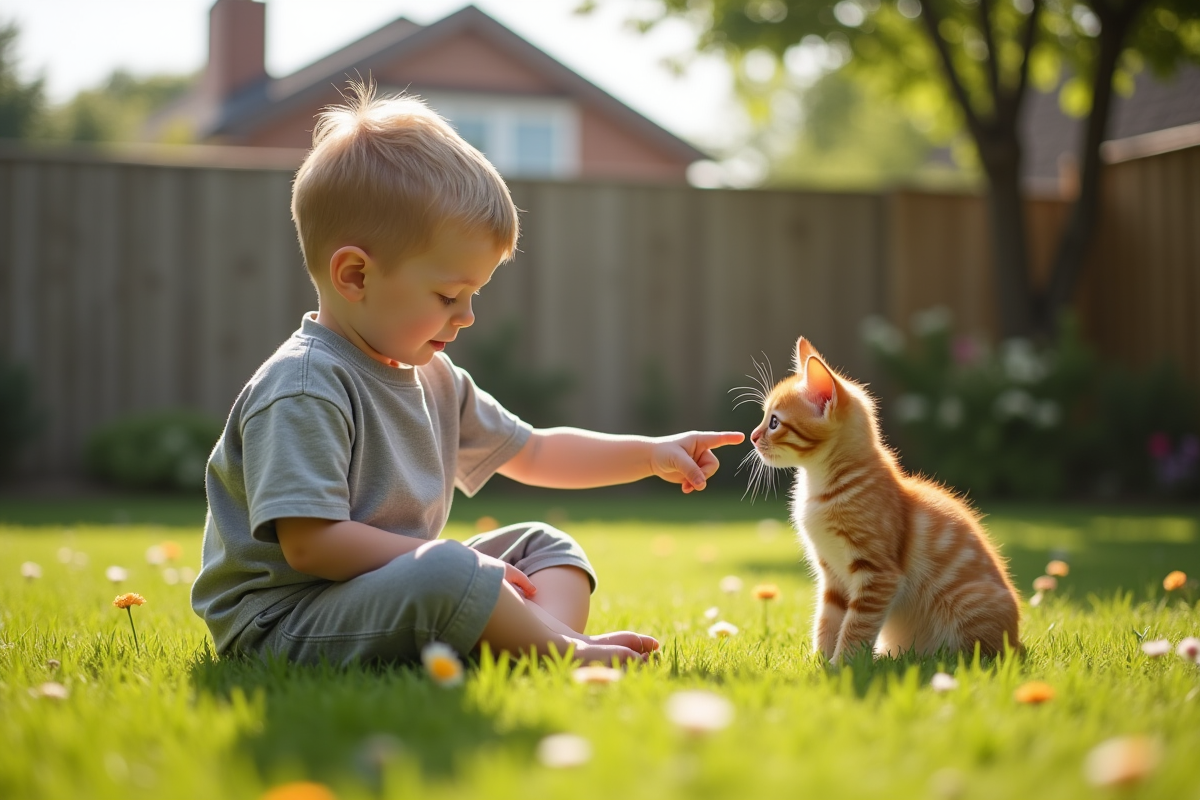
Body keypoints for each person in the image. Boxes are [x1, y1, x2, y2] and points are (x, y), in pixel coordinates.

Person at [191, 82, 744, 668]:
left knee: (544, 545)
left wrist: (652, 454)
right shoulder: (305, 386)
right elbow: (312, 546)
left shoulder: (434, 379)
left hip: (398, 589)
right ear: (355, 276)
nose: (468, 315)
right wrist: (462, 567)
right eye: (449, 294)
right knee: (449, 567)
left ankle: (537, 647)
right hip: (287, 622)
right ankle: (567, 653)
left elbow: (533, 451)